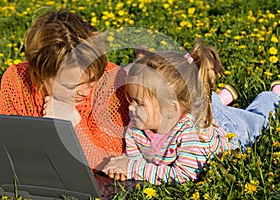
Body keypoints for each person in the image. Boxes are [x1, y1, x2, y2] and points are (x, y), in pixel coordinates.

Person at [102, 41, 280, 185]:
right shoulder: (138, 125)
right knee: (203, 103)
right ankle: (220, 98)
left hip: (231, 131)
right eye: (130, 100)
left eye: (139, 103)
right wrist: (123, 167)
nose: (130, 108)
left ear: (171, 109)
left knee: (259, 119)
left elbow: (184, 175)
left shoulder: (192, 135)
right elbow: (136, 159)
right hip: (200, 113)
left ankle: (272, 96)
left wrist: (134, 168)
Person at [0, 9, 129, 171]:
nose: (85, 92)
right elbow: (14, 150)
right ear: (40, 75)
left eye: (91, 80)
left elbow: (110, 159)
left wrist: (72, 121)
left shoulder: (112, 80)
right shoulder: (16, 79)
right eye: (71, 86)